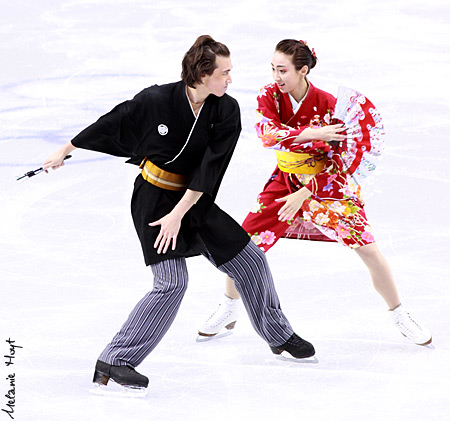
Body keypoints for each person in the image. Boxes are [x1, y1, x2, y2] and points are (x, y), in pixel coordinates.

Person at [42, 35, 316, 392]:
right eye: (225, 73)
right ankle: (116, 359)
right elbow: (116, 120)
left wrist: (180, 215)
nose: (230, 80)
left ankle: (278, 334)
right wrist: (67, 148)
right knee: (171, 283)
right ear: (203, 74)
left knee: (251, 262)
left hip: (193, 201)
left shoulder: (226, 110)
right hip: (154, 202)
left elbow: (210, 170)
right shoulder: (156, 99)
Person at [198, 39, 432, 347]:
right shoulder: (269, 95)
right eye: (273, 69)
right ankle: (228, 308)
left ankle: (400, 315)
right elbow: (267, 136)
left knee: (368, 250)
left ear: (303, 69)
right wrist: (310, 134)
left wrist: (308, 191)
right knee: (242, 245)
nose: (276, 77)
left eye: (282, 70)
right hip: (284, 181)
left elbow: (343, 162)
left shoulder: (331, 105)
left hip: (326, 184)